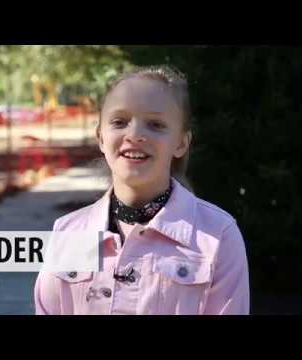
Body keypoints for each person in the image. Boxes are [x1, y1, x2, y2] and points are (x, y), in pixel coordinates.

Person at [34, 65, 250, 315]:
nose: (134, 134)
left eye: (155, 124)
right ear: (101, 138)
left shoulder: (217, 235)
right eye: (119, 122)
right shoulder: (67, 233)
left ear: (181, 143)